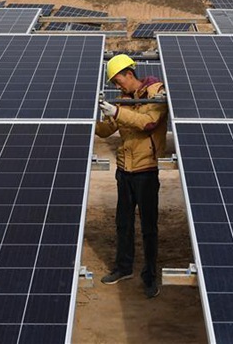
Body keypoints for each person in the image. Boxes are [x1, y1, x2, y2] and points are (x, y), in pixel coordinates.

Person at [96, 54, 168, 298]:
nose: (117, 86)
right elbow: (107, 130)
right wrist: (90, 116)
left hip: (145, 170)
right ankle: (123, 267)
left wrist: (117, 111)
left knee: (149, 227)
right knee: (123, 223)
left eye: (118, 81)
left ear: (129, 73)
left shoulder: (156, 92)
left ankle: (150, 276)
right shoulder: (124, 99)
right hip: (124, 170)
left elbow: (148, 122)